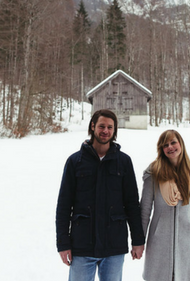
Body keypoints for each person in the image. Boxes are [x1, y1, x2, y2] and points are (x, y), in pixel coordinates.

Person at [56, 109, 145, 281]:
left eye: (110, 127)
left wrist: (137, 240)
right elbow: (64, 206)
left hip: (114, 245)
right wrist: (63, 243)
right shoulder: (75, 162)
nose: (105, 131)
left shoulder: (124, 162)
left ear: (114, 130)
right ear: (92, 126)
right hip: (82, 246)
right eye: (101, 126)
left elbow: (132, 204)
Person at [140, 130, 190, 281]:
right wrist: (139, 242)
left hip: (187, 244)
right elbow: (145, 210)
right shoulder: (154, 172)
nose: (170, 147)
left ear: (181, 144)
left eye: (173, 142)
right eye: (165, 145)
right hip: (159, 244)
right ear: (161, 149)